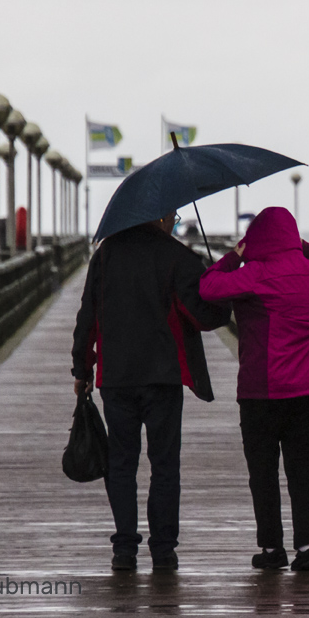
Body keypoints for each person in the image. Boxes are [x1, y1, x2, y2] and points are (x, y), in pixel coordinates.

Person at [71, 212, 231, 572]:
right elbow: (202, 316)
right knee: (164, 465)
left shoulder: (105, 255)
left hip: (117, 378)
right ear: (158, 216)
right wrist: (222, 291)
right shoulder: (176, 256)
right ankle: (163, 549)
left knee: (122, 463)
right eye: (172, 216)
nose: (174, 221)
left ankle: (124, 548)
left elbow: (87, 316)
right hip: (163, 377)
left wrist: (82, 367)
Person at [199, 206, 309, 571]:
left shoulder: (256, 274)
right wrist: (307, 248)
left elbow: (208, 288)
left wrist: (232, 257)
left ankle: (272, 549)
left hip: (264, 389)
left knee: (263, 471)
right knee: (304, 467)